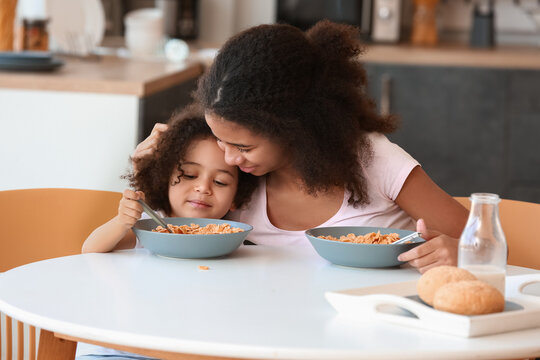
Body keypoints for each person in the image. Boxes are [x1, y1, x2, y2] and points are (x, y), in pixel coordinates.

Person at [134, 20, 468, 274]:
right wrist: (147, 176)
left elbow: (484, 244)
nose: (229, 157)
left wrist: (455, 252)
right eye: (221, 141)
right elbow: (179, 231)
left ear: (296, 127)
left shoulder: (373, 159)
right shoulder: (236, 176)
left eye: (244, 147)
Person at [78, 106, 257, 359]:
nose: (203, 188)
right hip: (126, 348)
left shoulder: (233, 238)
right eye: (190, 175)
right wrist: (121, 221)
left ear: (236, 198)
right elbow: (91, 249)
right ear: (165, 178)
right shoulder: (151, 224)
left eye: (220, 182)